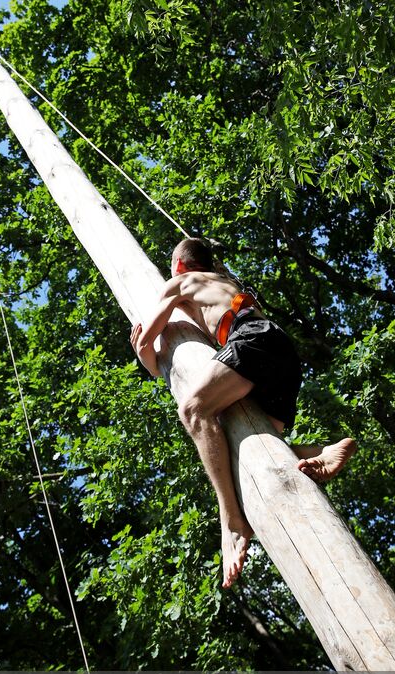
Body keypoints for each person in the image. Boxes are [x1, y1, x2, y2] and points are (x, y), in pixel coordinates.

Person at [130, 237, 356, 589]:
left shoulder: (180, 282)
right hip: (279, 350)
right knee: (252, 449)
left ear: (178, 265)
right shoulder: (225, 281)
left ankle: (231, 520)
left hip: (250, 339)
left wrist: (144, 356)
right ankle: (320, 452)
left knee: (193, 410)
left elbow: (150, 351)